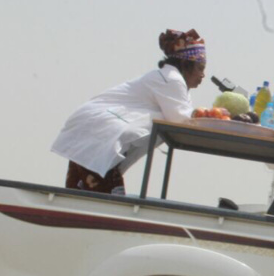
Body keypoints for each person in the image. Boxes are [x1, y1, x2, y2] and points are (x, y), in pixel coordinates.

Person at [50, 29, 207, 194]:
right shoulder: (171, 79)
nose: (203, 75)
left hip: (92, 134)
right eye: (200, 68)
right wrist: (222, 119)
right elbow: (181, 121)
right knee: (109, 200)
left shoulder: (169, 81)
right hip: (98, 135)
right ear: (186, 65)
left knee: (78, 197)